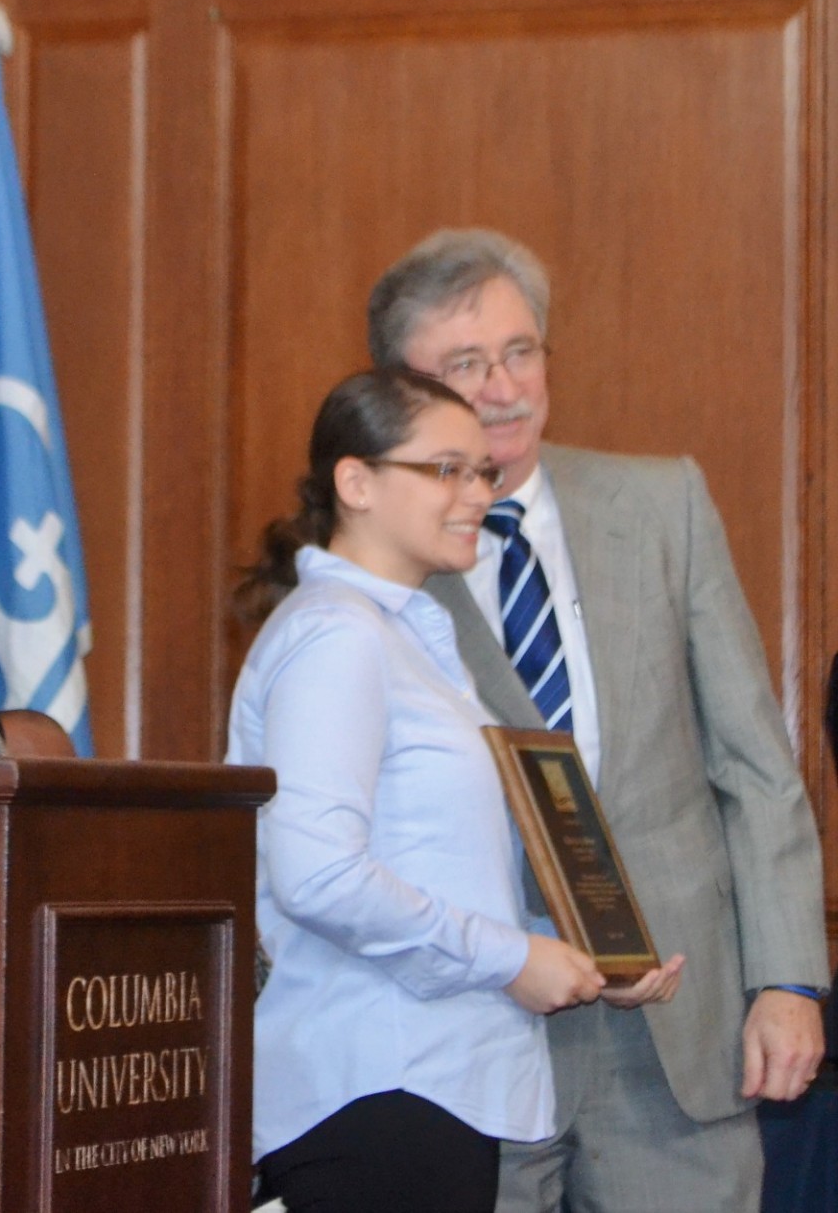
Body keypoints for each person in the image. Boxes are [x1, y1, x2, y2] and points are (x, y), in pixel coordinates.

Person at [368, 228, 827, 1213]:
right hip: (475, 1041)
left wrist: (790, 980)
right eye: (464, 362)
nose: (502, 386)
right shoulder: (370, 565)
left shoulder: (666, 505)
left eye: (520, 351)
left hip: (674, 1044)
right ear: (398, 387)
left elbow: (756, 767)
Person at [229, 368, 643, 1213]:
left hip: (423, 1088)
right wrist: (513, 957)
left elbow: (438, 869)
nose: (476, 496)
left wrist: (577, 953)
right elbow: (319, 877)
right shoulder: (337, 637)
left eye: (484, 473)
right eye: (446, 470)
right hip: (377, 1087)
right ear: (357, 482)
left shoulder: (403, 637)